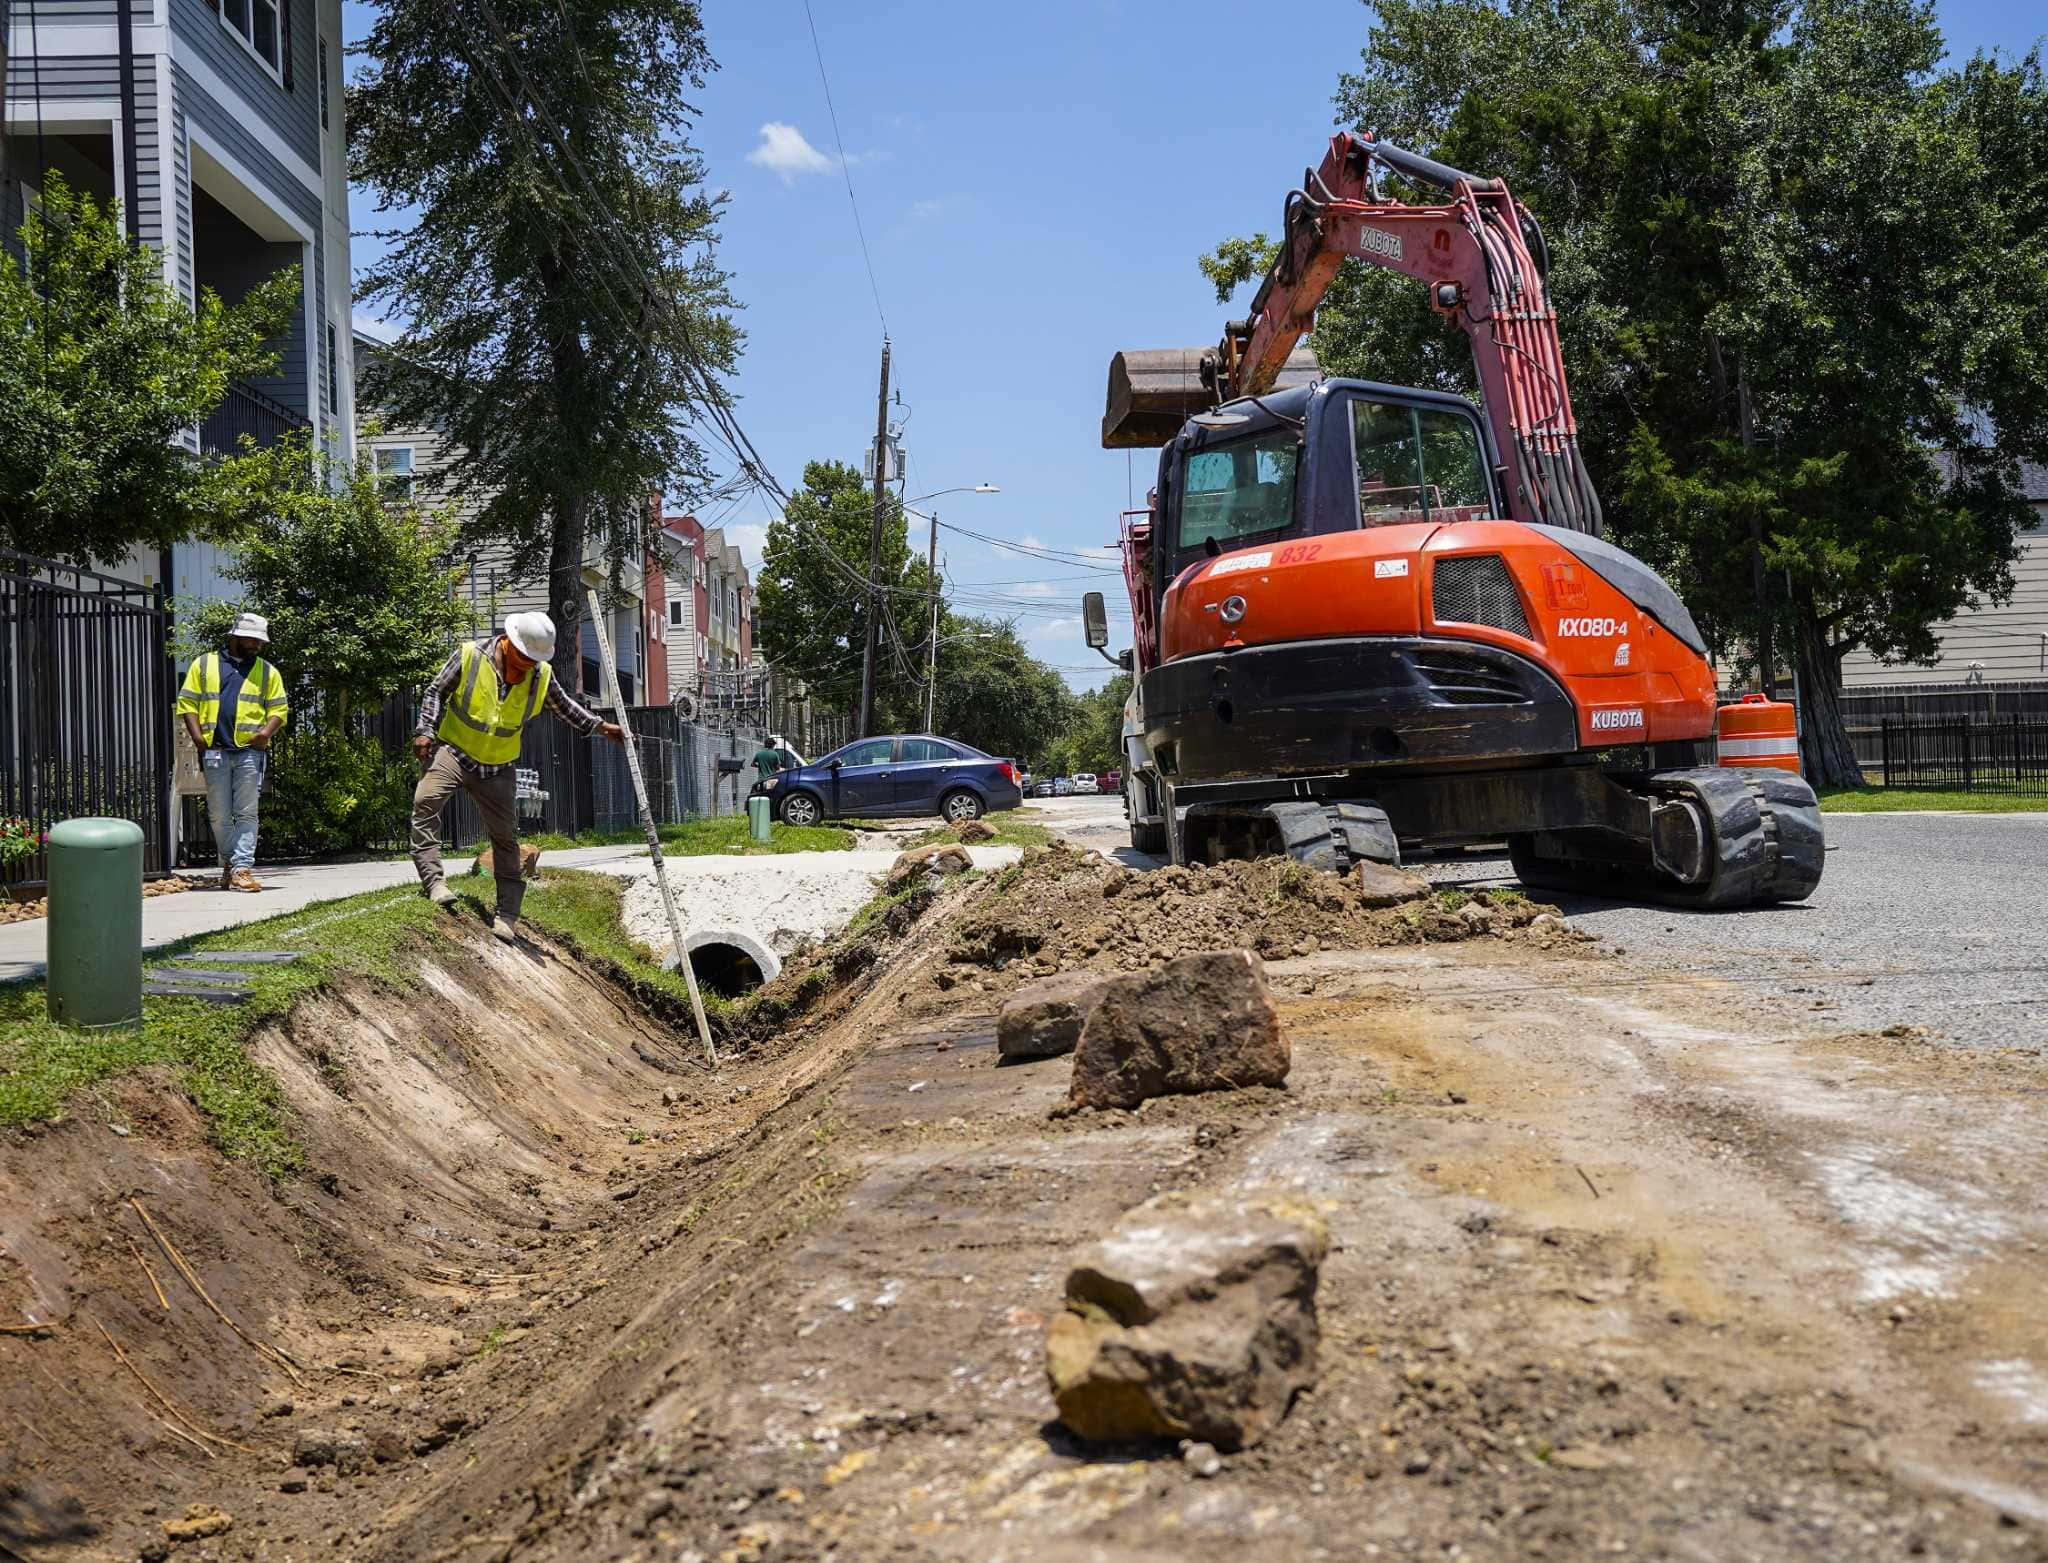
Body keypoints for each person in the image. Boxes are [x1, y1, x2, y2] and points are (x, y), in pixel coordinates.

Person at [411, 612, 625, 942]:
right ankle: (434, 882)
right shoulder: (469, 655)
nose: (528, 665)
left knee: (505, 839)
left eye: (534, 659)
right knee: (426, 802)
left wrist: (599, 726)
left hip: (498, 765)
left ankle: (507, 915)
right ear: (509, 642)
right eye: (524, 657)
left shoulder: (540, 675)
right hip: (454, 751)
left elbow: (564, 705)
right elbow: (434, 691)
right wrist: (426, 730)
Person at [175, 612, 289, 892]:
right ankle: (231, 865)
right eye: (252, 639)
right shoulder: (204, 665)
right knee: (218, 814)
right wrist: (198, 738)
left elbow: (279, 709)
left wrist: (265, 734)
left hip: (250, 752)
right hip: (214, 750)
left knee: (247, 812)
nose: (256, 645)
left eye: (260, 641)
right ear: (235, 635)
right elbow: (187, 703)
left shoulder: (266, 671)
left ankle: (241, 868)